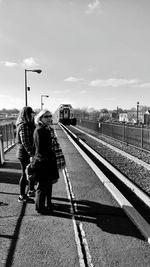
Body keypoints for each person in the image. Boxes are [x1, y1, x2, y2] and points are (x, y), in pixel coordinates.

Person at [33, 109, 59, 214]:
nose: (49, 118)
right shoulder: (39, 130)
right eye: (46, 117)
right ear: (40, 118)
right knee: (42, 186)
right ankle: (40, 207)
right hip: (44, 163)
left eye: (50, 116)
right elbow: (40, 150)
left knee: (48, 185)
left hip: (49, 162)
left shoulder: (46, 128)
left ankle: (48, 203)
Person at [16, 106, 36, 203]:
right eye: (32, 113)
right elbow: (26, 143)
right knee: (24, 174)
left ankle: (31, 190)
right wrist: (32, 154)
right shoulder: (24, 126)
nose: (33, 114)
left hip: (25, 153)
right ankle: (22, 196)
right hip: (24, 154)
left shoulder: (26, 124)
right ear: (27, 114)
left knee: (29, 172)